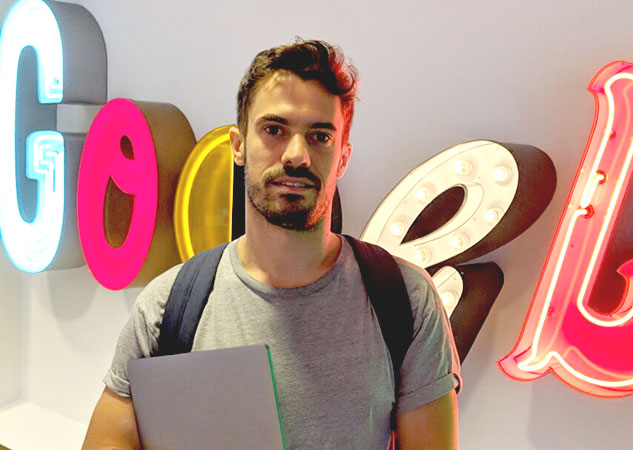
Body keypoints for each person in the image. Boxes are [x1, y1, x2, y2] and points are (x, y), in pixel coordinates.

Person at [82, 39, 461, 449]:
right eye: (274, 130)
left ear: (343, 157)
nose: (296, 155)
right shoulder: (168, 307)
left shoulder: (405, 298)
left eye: (319, 136)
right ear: (239, 145)